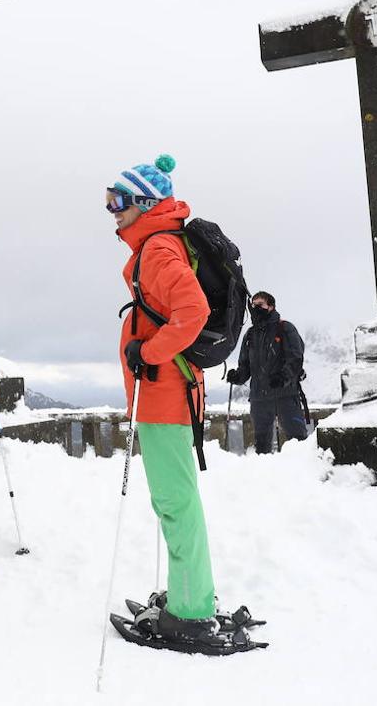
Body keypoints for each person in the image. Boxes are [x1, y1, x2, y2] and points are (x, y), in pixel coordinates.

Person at [109, 154, 243, 653]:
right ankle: (191, 594)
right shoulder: (161, 245)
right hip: (170, 392)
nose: (112, 212)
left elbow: (193, 311)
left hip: (165, 395)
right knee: (177, 502)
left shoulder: (159, 250)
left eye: (118, 202)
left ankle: (189, 612)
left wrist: (147, 351)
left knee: (174, 504)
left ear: (144, 204)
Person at [226, 290, 308, 454]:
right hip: (259, 398)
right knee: (261, 447)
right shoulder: (250, 335)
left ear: (271, 306)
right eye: (253, 305)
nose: (255, 308)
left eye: (260, 305)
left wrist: (283, 377)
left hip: (285, 395)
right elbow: (245, 366)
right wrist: (238, 376)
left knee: (298, 443)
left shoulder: (285, 328)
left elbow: (295, 358)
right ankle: (264, 477)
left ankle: (302, 476)